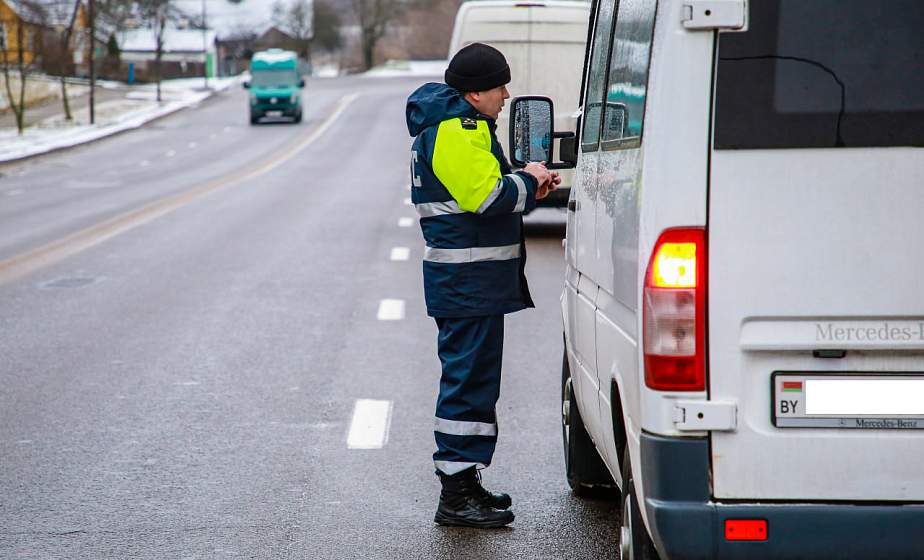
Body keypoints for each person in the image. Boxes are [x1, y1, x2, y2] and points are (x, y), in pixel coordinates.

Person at [405, 42, 561, 528]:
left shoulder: (459, 127)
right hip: (467, 283)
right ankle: (455, 494)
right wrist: (528, 180)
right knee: (467, 386)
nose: (505, 94)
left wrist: (527, 185)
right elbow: (487, 197)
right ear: (474, 93)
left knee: (474, 384)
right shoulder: (458, 129)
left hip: (470, 283)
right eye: (498, 86)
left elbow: (484, 193)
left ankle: (466, 480)